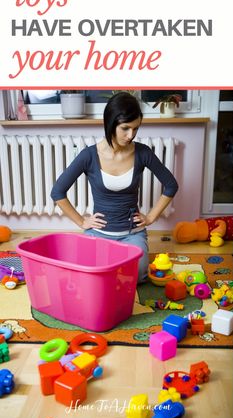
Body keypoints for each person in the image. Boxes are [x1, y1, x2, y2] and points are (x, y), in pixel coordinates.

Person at [51, 92, 178, 282]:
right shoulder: (89, 155)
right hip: (99, 235)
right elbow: (57, 192)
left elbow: (171, 185)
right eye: (125, 128)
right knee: (95, 277)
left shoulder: (142, 152)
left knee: (138, 277)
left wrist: (150, 217)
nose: (131, 135)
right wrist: (81, 222)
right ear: (111, 123)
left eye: (136, 129)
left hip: (131, 234)